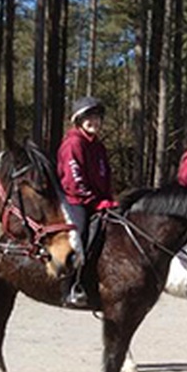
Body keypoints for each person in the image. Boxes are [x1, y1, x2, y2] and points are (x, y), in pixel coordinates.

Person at [57, 96, 117, 307]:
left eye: (97, 117)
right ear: (79, 120)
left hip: (99, 201)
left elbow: (106, 177)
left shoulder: (98, 147)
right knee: (80, 236)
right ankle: (71, 287)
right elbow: (74, 180)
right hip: (76, 201)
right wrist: (94, 202)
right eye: (89, 117)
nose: (95, 121)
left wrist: (109, 199)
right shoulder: (73, 144)